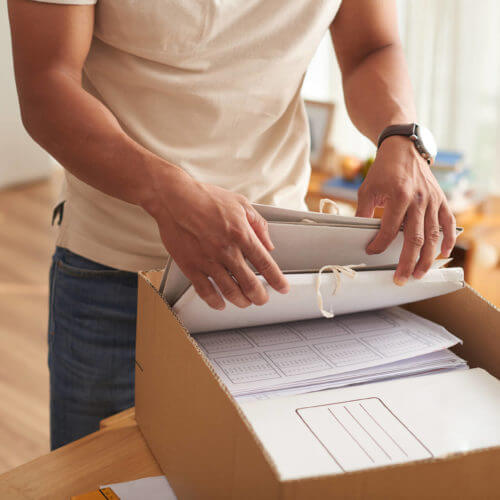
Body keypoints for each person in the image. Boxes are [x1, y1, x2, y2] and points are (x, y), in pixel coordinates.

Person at [7, 0, 456, 450]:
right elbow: (48, 84)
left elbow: (370, 47)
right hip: (119, 272)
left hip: (280, 271)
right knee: (101, 477)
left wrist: (401, 135)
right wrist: (167, 194)